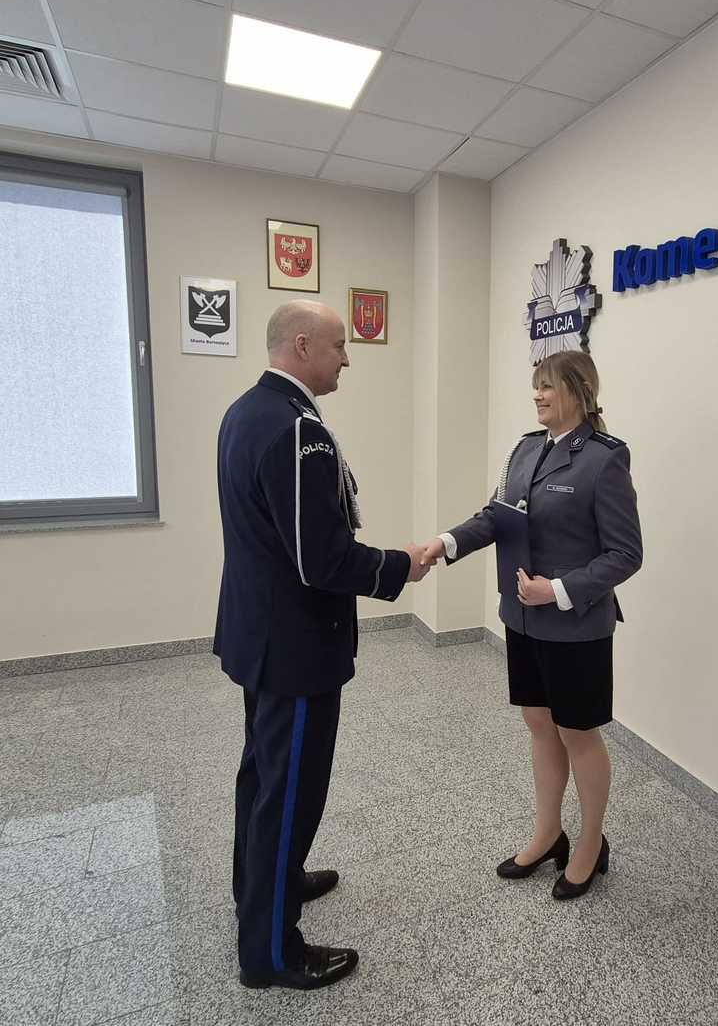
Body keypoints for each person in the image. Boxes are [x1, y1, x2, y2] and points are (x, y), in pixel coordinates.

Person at [214, 299, 431, 990]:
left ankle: (262, 886)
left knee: (262, 775)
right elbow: (321, 558)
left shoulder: (246, 412)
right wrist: (399, 566)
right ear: (302, 346)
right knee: (289, 793)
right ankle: (272, 952)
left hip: (261, 635)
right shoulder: (298, 430)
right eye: (339, 345)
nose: (347, 358)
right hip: (298, 646)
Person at [419, 350, 642, 899]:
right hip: (522, 619)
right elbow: (495, 518)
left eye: (548, 386)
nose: (537, 395)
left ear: (580, 392)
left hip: (575, 626)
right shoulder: (524, 450)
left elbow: (625, 554)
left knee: (577, 732)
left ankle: (590, 842)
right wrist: (446, 543)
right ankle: (548, 833)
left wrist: (558, 590)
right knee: (540, 725)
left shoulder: (605, 459)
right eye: (535, 385)